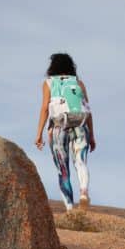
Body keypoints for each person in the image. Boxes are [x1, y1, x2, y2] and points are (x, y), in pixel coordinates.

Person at [35, 52, 96, 211]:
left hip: (58, 128)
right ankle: (84, 192)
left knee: (63, 170)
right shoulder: (78, 83)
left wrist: (39, 133)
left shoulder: (49, 83)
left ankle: (70, 209)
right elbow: (88, 110)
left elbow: (45, 108)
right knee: (81, 162)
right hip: (80, 124)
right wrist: (92, 136)